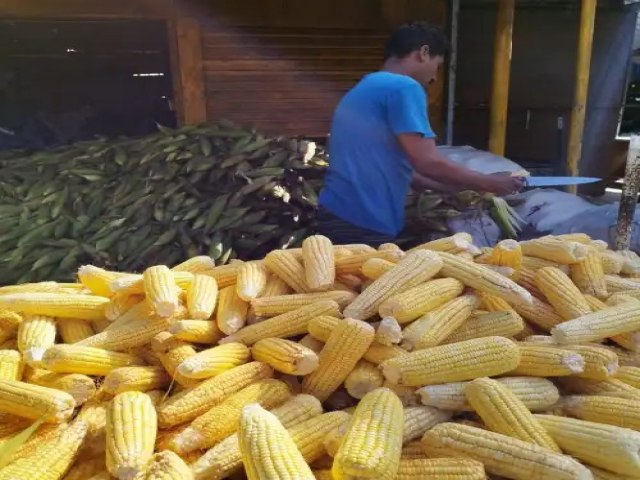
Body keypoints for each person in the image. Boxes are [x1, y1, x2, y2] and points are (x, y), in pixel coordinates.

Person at [317, 21, 525, 246]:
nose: (435, 77)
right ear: (424, 53)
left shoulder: (367, 87)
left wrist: (452, 188)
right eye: (438, 65)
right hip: (365, 222)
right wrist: (487, 182)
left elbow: (398, 167)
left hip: (338, 215)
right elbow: (427, 161)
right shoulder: (403, 88)